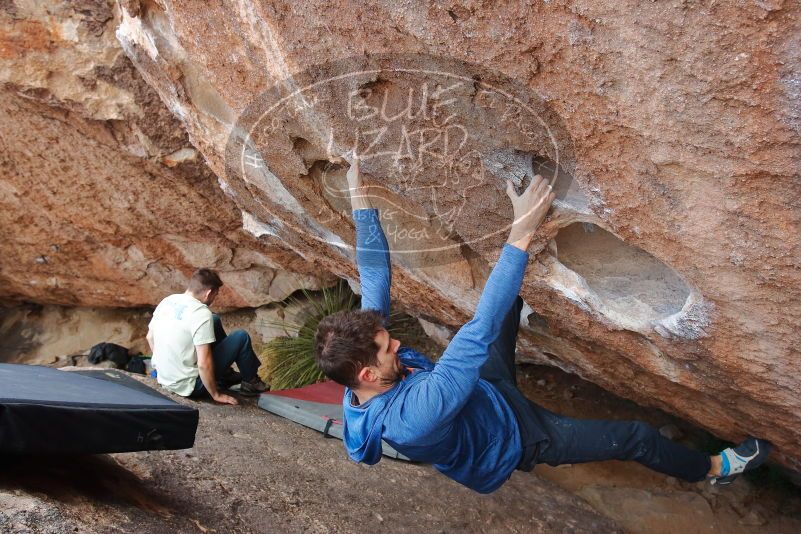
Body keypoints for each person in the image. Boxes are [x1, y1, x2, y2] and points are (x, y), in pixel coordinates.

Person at [314, 153, 772, 493]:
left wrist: (360, 196)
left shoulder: (364, 367)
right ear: (369, 374)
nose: (395, 342)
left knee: (508, 304)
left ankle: (529, 308)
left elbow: (374, 275)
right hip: (517, 436)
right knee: (635, 437)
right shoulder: (414, 417)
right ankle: (711, 469)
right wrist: (521, 231)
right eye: (387, 347)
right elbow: (478, 330)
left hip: (482, 393)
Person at [147, 268, 268, 405]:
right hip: (191, 387)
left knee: (214, 319)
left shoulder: (168, 301)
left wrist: (162, 367)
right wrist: (215, 394)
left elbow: (150, 337)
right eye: (215, 296)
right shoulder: (201, 314)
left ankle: (226, 375)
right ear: (208, 293)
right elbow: (204, 364)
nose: (214, 300)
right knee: (241, 336)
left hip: (165, 378)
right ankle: (250, 383)